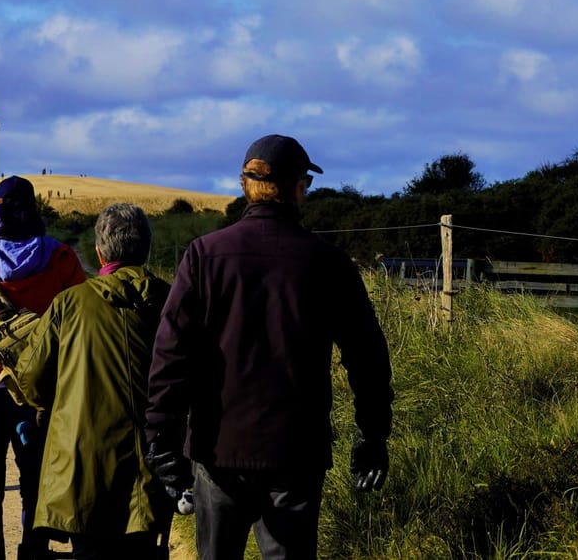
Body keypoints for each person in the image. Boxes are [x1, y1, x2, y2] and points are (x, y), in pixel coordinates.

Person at [144, 135, 394, 560]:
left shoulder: (204, 255)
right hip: (295, 450)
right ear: (298, 187)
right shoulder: (328, 262)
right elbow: (366, 356)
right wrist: (372, 435)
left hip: (217, 447)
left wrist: (161, 442)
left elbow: (171, 356)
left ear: (245, 184)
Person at [17, 203, 173, 559]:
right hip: (152, 463)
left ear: (99, 252)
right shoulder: (171, 300)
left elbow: (30, 379)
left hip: (80, 469)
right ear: (146, 249)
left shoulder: (68, 304)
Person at [0, 175, 88, 560]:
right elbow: (78, 321)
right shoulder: (62, 258)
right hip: (38, 393)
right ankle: (33, 549)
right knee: (36, 479)